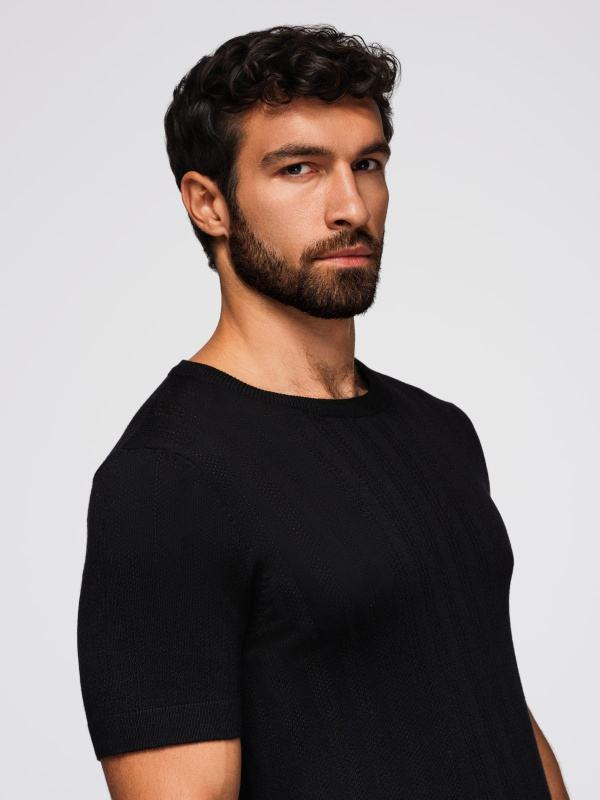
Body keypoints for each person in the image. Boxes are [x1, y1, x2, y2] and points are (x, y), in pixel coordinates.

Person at [76, 24, 570, 800]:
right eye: (299, 168)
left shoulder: (439, 431)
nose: (350, 206)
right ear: (208, 203)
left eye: (367, 164)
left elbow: (490, 700)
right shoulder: (165, 481)